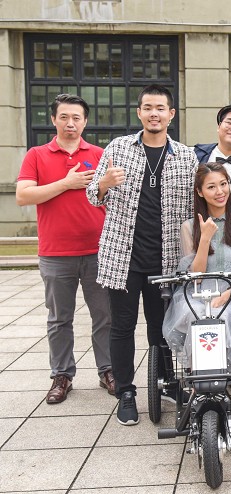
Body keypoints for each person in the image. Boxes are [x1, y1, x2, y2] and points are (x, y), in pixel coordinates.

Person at [86, 84, 198, 426]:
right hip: (123, 259)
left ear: (171, 114)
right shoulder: (118, 148)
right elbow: (92, 195)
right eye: (148, 107)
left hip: (165, 260)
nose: (154, 114)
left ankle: (165, 382)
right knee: (121, 327)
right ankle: (126, 392)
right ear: (139, 113)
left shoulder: (186, 156)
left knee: (160, 329)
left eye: (160, 108)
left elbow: (194, 207)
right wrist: (104, 183)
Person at [16, 93, 113, 404]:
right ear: (53, 120)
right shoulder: (37, 155)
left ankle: (108, 370)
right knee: (59, 319)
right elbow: (23, 195)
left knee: (105, 315)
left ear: (85, 121)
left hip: (98, 251)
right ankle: (62, 375)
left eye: (76, 118)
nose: (70, 123)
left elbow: (115, 196)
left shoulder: (99, 154)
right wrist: (66, 183)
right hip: (56, 254)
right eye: (64, 117)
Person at [162, 163, 231, 395]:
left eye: (223, 184)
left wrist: (229, 293)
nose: (220, 191)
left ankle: (224, 377)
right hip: (197, 294)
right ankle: (199, 379)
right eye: (211, 187)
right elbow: (194, 276)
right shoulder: (189, 227)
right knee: (197, 316)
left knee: (223, 316)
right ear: (199, 192)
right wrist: (205, 239)